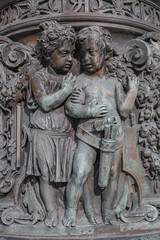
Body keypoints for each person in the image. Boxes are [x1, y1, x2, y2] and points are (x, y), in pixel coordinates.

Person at [63, 26, 139, 227]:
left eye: (92, 52)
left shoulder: (113, 82)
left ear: (104, 53)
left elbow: (123, 111)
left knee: (112, 174)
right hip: (88, 135)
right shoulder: (80, 80)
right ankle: (70, 212)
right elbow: (71, 107)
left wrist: (131, 92)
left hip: (113, 136)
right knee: (79, 172)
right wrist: (88, 111)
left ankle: (107, 211)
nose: (86, 58)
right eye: (83, 53)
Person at [26, 21, 96, 228]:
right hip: (44, 132)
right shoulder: (39, 76)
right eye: (63, 53)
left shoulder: (72, 76)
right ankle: (51, 211)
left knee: (74, 173)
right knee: (46, 175)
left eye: (71, 54)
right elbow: (45, 103)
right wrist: (65, 91)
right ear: (48, 54)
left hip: (67, 133)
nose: (69, 59)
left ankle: (82, 209)